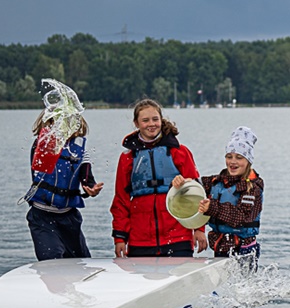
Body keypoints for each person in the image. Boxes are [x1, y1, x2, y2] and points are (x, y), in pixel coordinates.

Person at [111, 98, 207, 257]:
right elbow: (121, 200)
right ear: (136, 123)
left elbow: (198, 194)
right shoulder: (127, 158)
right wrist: (120, 237)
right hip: (139, 240)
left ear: (161, 120)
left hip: (178, 237)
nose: (151, 124)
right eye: (145, 120)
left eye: (155, 119)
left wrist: (199, 228)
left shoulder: (180, 152)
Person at [172, 126, 263, 267]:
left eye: (239, 157)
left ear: (248, 161)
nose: (233, 162)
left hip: (244, 249)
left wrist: (212, 207)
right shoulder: (216, 181)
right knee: (222, 281)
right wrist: (182, 183)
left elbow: (241, 217)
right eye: (229, 156)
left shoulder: (253, 187)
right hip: (221, 246)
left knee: (239, 281)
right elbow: (194, 187)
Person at [24, 103, 103, 260]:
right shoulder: (41, 144)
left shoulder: (80, 151)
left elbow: (87, 178)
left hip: (69, 218)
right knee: (51, 257)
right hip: (41, 217)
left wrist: (92, 189)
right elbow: (39, 166)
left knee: (81, 261)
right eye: (58, 122)